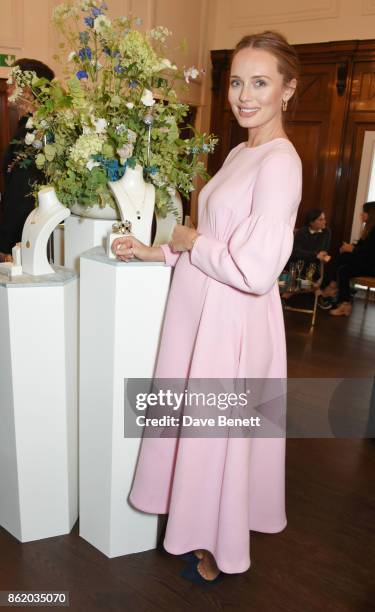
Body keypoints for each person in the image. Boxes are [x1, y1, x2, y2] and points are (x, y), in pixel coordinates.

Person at [113, 31, 302, 583]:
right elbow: (213, 239)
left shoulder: (278, 163)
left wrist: (193, 241)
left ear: (287, 91)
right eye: (237, 82)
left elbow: (255, 269)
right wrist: (158, 250)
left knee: (218, 438)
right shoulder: (243, 151)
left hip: (233, 323)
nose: (245, 95)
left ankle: (219, 549)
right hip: (205, 313)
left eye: (260, 83)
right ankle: (198, 531)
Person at [0, 58, 55, 262]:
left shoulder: (36, 135)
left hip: (24, 237)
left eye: (13, 82)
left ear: (28, 90)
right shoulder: (28, 127)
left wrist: (6, 244)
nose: (7, 88)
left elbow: (21, 193)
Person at [318, 201, 375, 316]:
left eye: (364, 212)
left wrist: (351, 249)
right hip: (368, 264)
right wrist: (348, 247)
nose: (362, 214)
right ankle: (345, 304)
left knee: (344, 257)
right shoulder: (369, 229)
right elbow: (361, 247)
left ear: (371, 214)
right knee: (343, 270)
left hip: (372, 266)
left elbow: (370, 253)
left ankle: (331, 286)